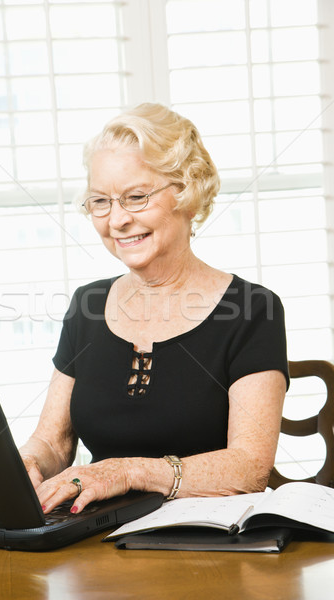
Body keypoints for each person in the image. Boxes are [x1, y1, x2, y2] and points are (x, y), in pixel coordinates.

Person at [19, 103, 289, 515]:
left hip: (208, 547)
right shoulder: (87, 306)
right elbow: (54, 441)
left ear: (187, 191)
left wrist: (129, 472)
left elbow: (249, 468)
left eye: (136, 197)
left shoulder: (254, 309)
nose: (118, 220)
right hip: (95, 540)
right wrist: (26, 463)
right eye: (100, 202)